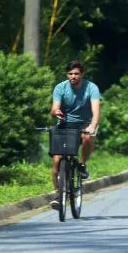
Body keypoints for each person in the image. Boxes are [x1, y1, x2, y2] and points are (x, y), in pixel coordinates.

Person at [50, 61, 101, 210]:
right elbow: (54, 108)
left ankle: (82, 164)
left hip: (85, 122)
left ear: (82, 74)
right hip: (65, 123)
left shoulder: (91, 88)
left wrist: (93, 125)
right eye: (70, 74)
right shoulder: (60, 87)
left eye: (76, 74)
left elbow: (96, 111)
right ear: (67, 75)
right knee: (57, 160)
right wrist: (56, 112)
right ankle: (58, 194)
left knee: (88, 137)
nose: (73, 76)